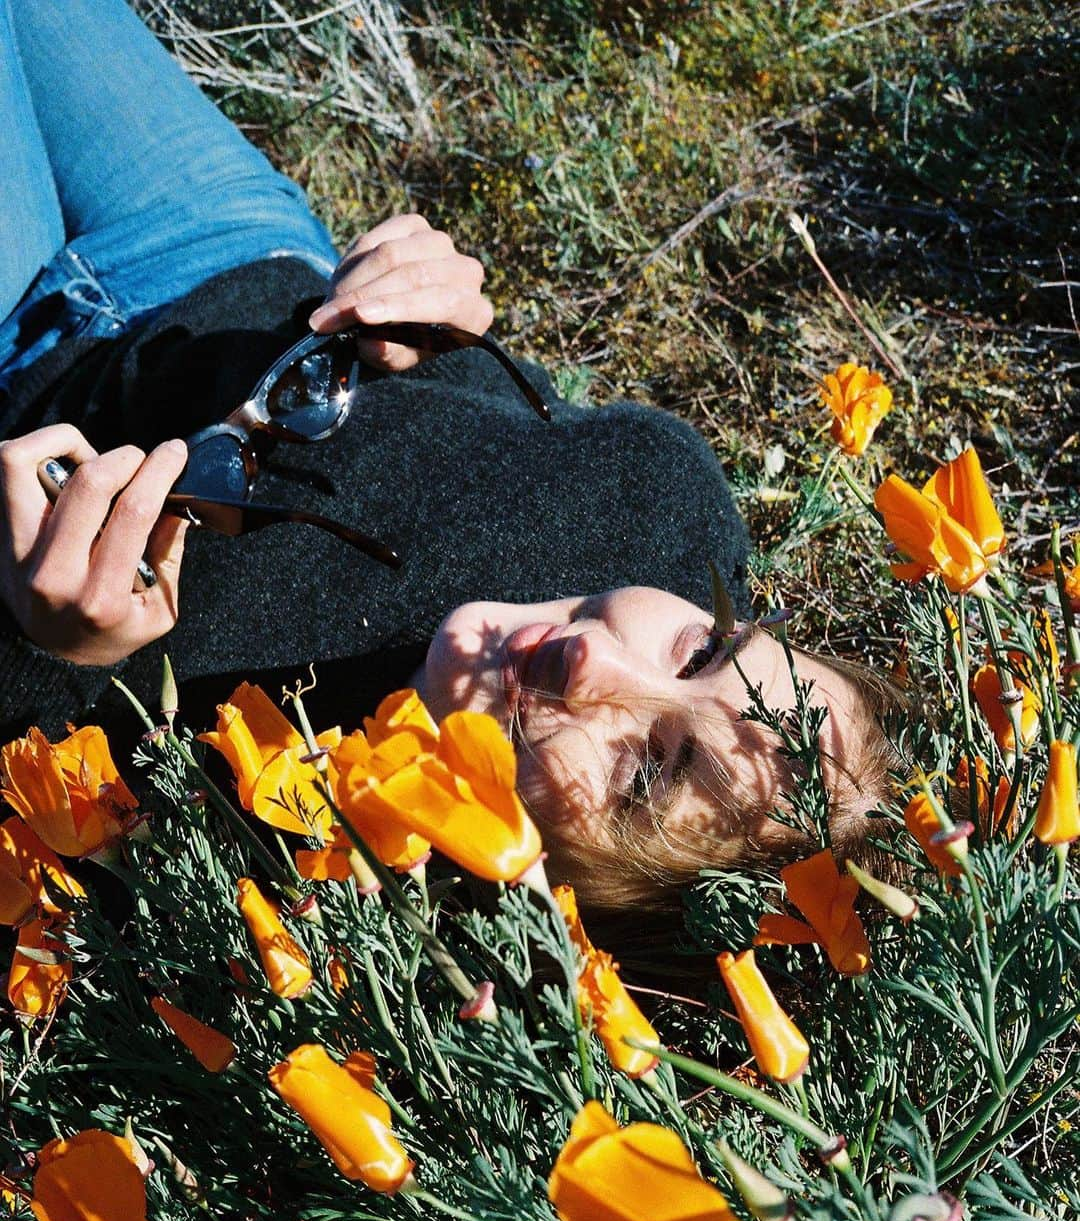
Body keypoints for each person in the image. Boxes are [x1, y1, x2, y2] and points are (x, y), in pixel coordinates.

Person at [0, 0, 905, 915]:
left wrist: (54, 653)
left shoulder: (304, 859)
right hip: (220, 240)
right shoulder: (662, 506)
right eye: (704, 648)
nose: (590, 663)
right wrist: (437, 327)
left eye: (642, 774)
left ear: (587, 908)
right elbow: (491, 405)